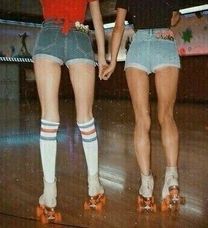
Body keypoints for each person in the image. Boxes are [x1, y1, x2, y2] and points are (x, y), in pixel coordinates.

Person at [102, 0, 184, 212]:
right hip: (164, 41)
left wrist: (112, 62)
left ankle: (147, 189)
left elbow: (119, 26)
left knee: (142, 120)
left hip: (138, 45)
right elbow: (174, 17)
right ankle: (172, 180)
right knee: (166, 116)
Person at [33, 0, 107, 223]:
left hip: (48, 36)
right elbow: (97, 18)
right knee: (86, 118)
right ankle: (94, 184)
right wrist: (102, 57)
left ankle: (50, 193)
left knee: (49, 118)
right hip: (79, 36)